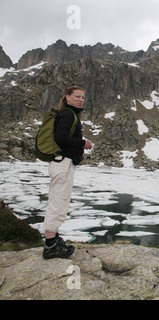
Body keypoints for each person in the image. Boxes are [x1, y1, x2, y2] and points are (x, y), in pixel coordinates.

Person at [42, 86, 93, 259]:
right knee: (58, 202)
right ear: (67, 97)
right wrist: (83, 143)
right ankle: (51, 246)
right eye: (77, 96)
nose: (81, 99)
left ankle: (55, 239)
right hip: (62, 163)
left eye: (83, 97)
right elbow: (61, 138)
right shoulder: (67, 114)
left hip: (63, 163)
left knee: (60, 201)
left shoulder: (69, 114)